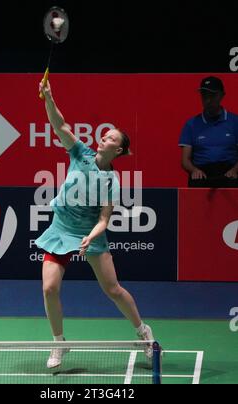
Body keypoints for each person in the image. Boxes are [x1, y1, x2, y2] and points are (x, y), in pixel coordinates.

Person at [36, 79, 154, 369]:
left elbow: (104, 219)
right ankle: (59, 343)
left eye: (112, 137)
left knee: (112, 289)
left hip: (90, 234)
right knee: (49, 289)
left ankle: (143, 333)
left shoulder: (112, 181)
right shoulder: (80, 154)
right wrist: (48, 98)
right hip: (61, 228)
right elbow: (60, 125)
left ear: (119, 150)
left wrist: (90, 237)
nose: (105, 137)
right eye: (106, 134)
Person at [179, 76, 238, 187]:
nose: (208, 100)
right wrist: (194, 170)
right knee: (195, 181)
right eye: (204, 95)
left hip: (229, 172)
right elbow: (185, 160)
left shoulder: (235, 122)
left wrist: (235, 170)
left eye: (212, 95)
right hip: (202, 172)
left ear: (221, 95)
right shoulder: (191, 124)